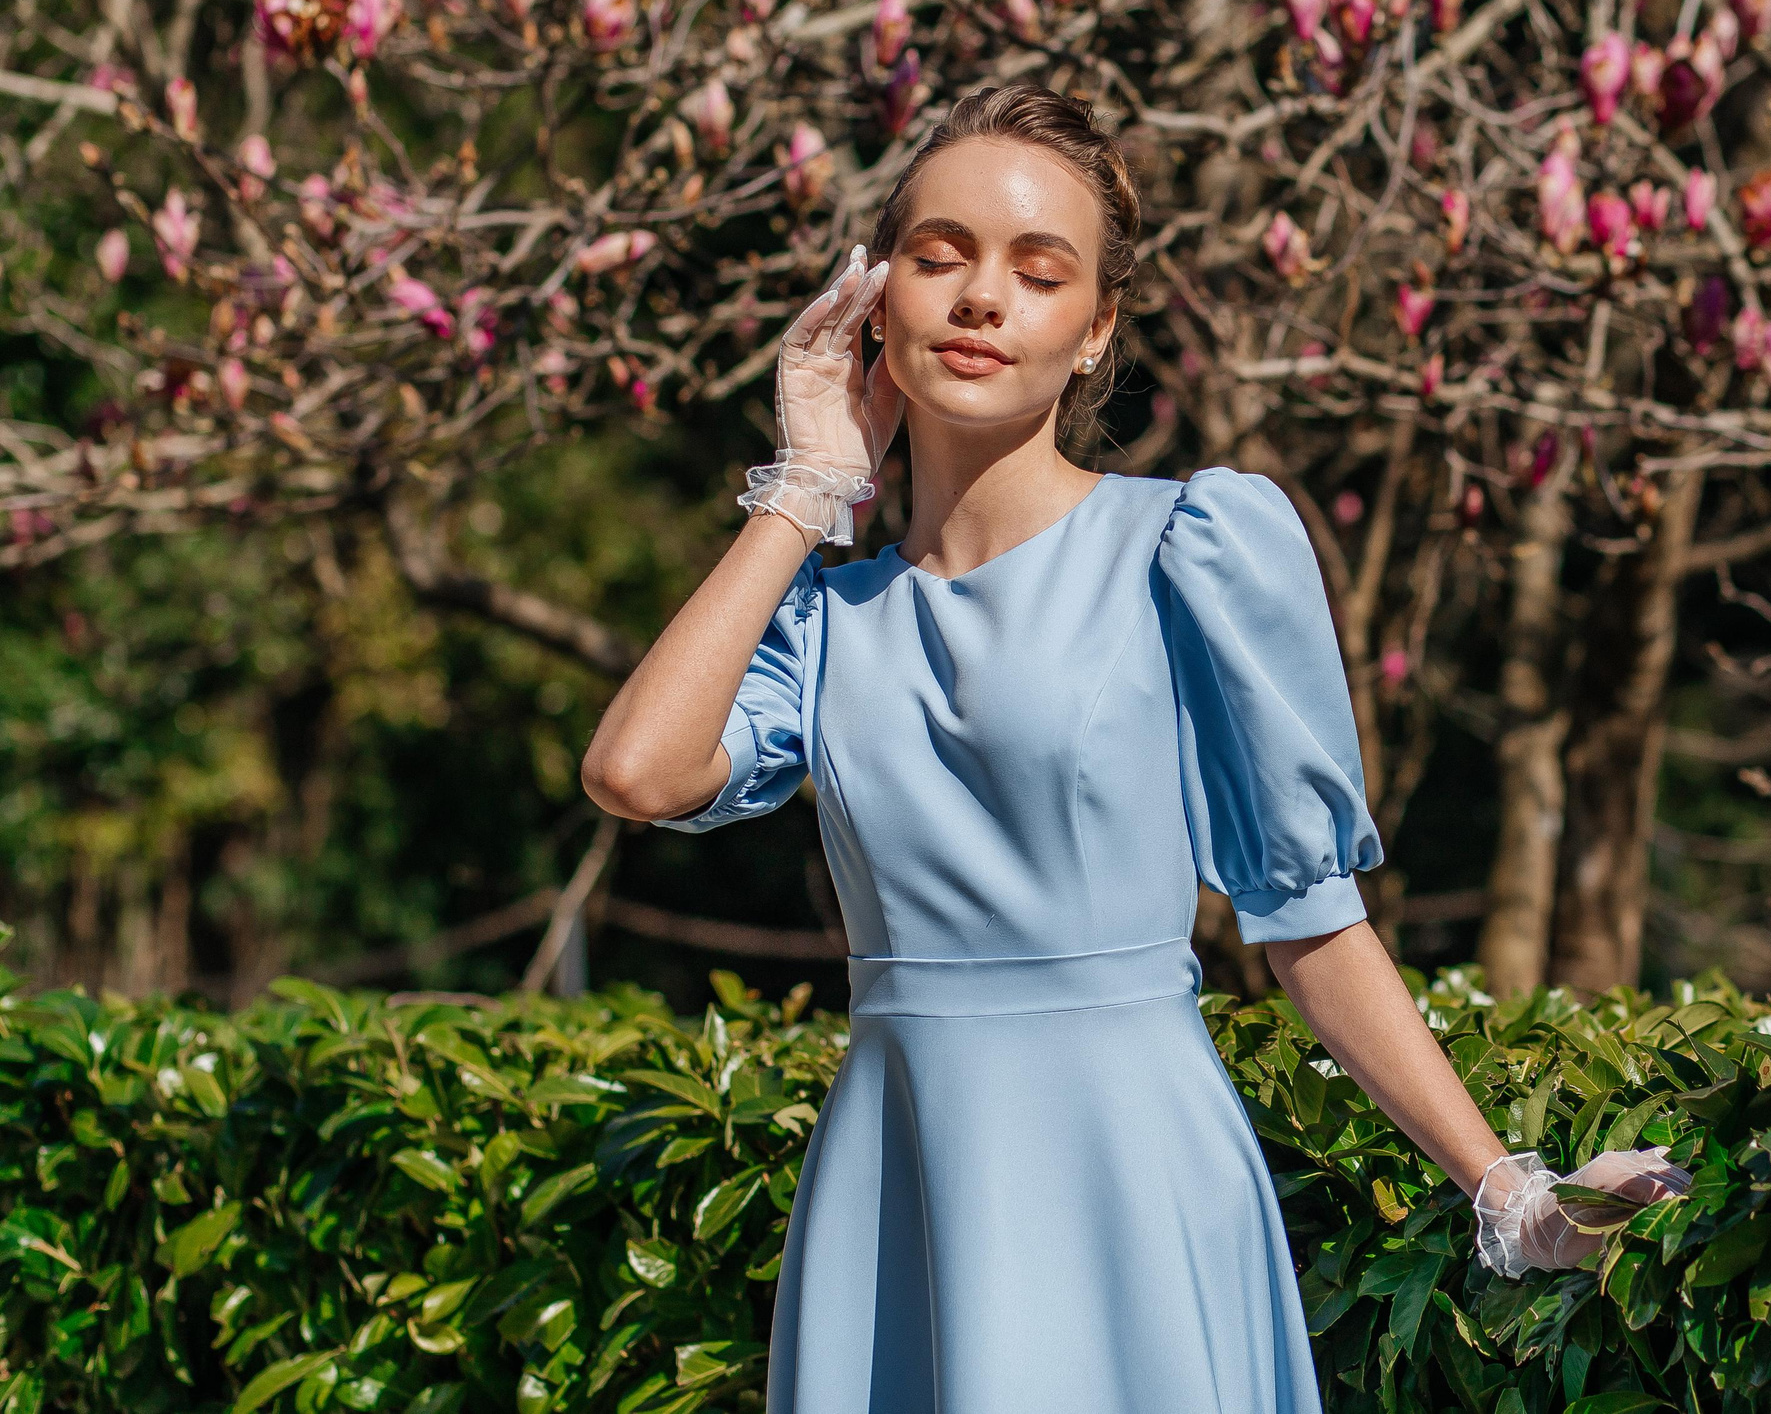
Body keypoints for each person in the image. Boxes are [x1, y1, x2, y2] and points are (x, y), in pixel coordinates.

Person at [582, 82, 1691, 1412]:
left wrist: (1509, 1192)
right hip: (902, 1187)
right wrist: (812, 481)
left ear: (1097, 326)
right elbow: (636, 773)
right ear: (875, 293)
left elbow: (1308, 921)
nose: (982, 299)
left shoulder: (1192, 547)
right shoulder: (822, 617)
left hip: (1135, 1175)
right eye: (940, 258)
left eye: (1038, 273)